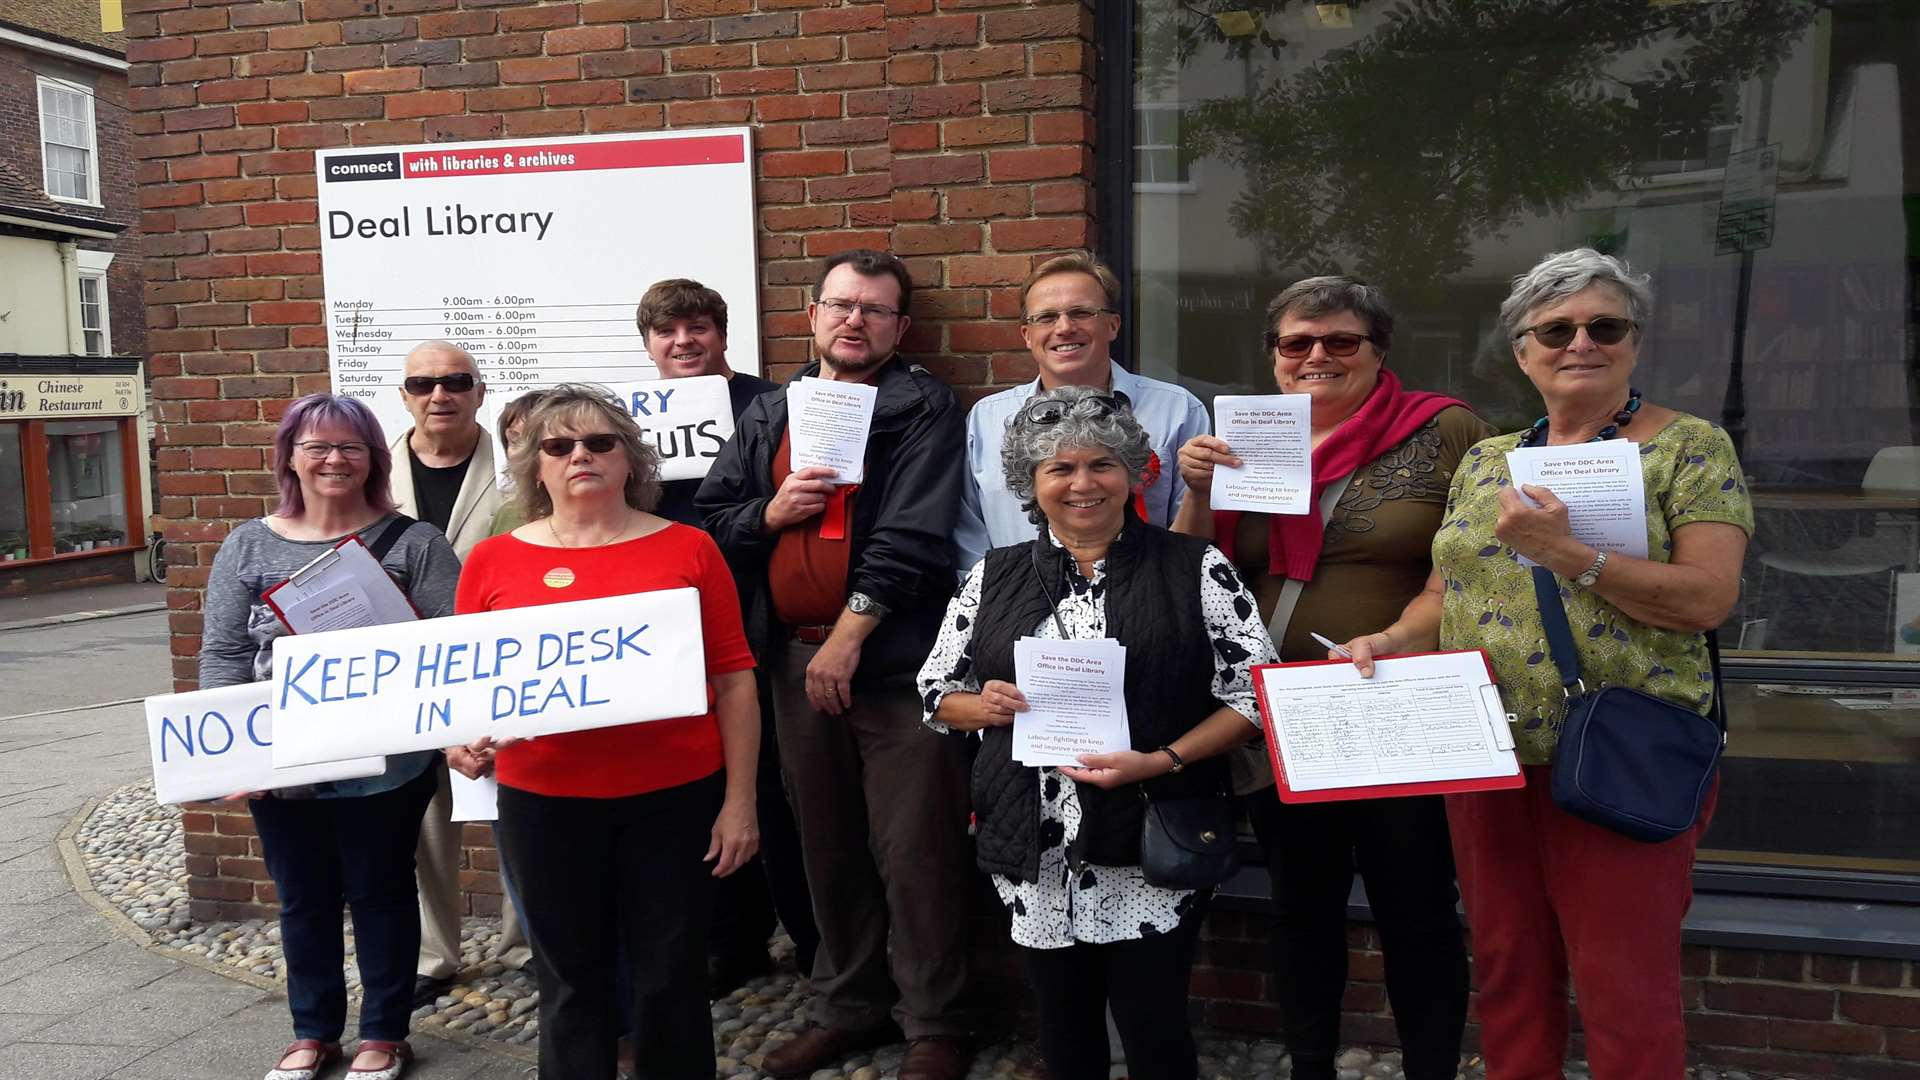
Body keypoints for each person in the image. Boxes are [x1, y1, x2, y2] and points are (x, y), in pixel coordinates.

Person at [1338, 249, 1751, 1079]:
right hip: (1485, 749)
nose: (1581, 344)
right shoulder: (1489, 460)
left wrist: (1570, 555)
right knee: (1508, 969)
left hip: (1619, 750)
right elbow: (1443, 589)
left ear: (1634, 341)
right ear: (1522, 351)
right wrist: (1390, 640)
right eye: (1555, 329)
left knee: (1624, 987)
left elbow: (1707, 599)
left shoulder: (1688, 448)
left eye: (1606, 326)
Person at [1171, 277, 1484, 1080]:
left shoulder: (1444, 430)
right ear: (1274, 356)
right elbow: (1191, 570)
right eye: (1296, 343)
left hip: (1396, 702)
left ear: (1378, 351)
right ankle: (1308, 1067)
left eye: (1341, 341)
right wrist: (1198, 491)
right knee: (1300, 909)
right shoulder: (1245, 438)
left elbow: (1477, 569)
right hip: (1280, 711)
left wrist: (1402, 636)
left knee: (1416, 911)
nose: (1317, 357)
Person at [919, 385, 1277, 1080]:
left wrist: (1161, 760)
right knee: (1062, 1030)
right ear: (1031, 483)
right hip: (1035, 843)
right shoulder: (991, 576)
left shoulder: (1195, 567)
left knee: (1155, 1029)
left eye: (1101, 465)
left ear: (1134, 473)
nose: (1083, 484)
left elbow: (1256, 695)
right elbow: (935, 692)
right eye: (1059, 469)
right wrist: (983, 706)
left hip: (1150, 833)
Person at [697, 249, 974, 1080]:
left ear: (900, 329)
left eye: (875, 310)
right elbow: (712, 519)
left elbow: (914, 539)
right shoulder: (770, 411)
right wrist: (768, 512)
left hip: (892, 666)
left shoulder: (923, 406)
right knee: (827, 845)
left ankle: (937, 1024)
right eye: (842, 305)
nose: (855, 320)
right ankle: (848, 1007)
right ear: (812, 315)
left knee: (917, 846)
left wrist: (850, 639)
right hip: (791, 662)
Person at [449, 383, 761, 1079]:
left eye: (599, 442)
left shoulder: (690, 549)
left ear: (630, 459)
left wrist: (741, 802)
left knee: (670, 976)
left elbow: (736, 679)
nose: (579, 456)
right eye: (558, 446)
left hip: (674, 797)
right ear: (535, 466)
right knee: (569, 979)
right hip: (544, 800)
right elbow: (465, 687)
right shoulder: (494, 562)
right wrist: (458, 739)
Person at [200, 394, 461, 1080]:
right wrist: (232, 751)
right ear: (289, 457)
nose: (334, 460)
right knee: (303, 896)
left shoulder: (415, 543)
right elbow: (224, 656)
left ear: (375, 459)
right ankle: (312, 1031)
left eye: (351, 447)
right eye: (316, 446)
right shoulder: (248, 544)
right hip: (282, 760)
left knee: (381, 890)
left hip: (388, 762)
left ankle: (384, 1032)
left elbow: (454, 649)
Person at [636, 277, 821, 994]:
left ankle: (811, 941)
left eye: (697, 328)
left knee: (774, 786)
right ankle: (729, 939)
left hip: (755, 617)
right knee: (696, 784)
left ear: (722, 332)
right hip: (664, 624)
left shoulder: (773, 406)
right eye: (667, 332)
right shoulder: (624, 421)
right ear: (648, 345)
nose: (684, 342)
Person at [384, 340, 516, 1003]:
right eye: (424, 383)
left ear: (479, 391)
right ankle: (435, 956)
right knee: (426, 818)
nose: (441, 393)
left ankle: (525, 946)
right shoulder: (375, 474)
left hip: (503, 661)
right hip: (416, 668)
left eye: (456, 380)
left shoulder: (520, 465)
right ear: (405, 395)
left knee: (516, 808)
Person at [951, 252, 1210, 573]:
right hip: (1015, 612)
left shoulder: (1177, 410)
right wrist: (991, 604)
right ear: (1027, 335)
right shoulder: (986, 419)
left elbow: (1194, 536)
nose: (1064, 328)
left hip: (1146, 611)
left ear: (1112, 325)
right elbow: (969, 531)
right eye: (1046, 317)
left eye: (1081, 313)